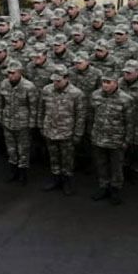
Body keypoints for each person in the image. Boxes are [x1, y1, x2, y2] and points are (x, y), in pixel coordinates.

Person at [39, 66, 86, 196]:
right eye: (54, 80)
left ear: (66, 78)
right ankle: (56, 179)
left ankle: (67, 181)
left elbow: (80, 116)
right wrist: (41, 126)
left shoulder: (76, 94)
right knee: (53, 158)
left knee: (67, 159)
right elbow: (41, 109)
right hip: (50, 130)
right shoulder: (47, 90)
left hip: (67, 132)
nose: (55, 83)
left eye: (58, 80)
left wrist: (78, 134)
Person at [88, 74, 135, 205]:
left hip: (116, 140)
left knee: (116, 166)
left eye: (108, 82)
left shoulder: (126, 99)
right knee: (101, 164)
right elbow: (91, 116)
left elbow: (130, 122)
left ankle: (115, 189)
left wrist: (127, 140)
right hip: (99, 137)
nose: (105, 85)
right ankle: (103, 186)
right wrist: (91, 133)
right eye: (103, 82)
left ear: (116, 83)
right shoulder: (95, 95)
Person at [0, 61, 39, 185]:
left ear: (20, 73)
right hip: (8, 122)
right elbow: (0, 103)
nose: (10, 75)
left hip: (23, 124)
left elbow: (33, 107)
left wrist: (32, 124)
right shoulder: (4, 84)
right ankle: (13, 170)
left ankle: (23, 173)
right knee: (11, 149)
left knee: (23, 149)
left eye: (12, 73)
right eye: (8, 73)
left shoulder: (29, 87)